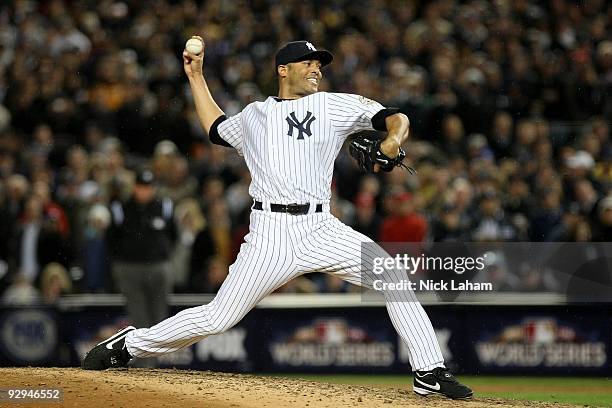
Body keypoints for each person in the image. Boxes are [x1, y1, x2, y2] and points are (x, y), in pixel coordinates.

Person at [83, 38, 472, 400]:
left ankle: (429, 369)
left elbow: (395, 117)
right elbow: (216, 128)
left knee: (390, 274)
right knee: (219, 317)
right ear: (283, 70)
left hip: (321, 227)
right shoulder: (255, 115)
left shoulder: (332, 105)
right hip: (270, 233)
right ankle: (128, 345)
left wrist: (392, 141)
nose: (317, 69)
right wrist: (196, 77)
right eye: (308, 63)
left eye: (320, 63)